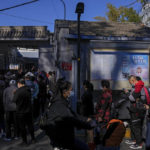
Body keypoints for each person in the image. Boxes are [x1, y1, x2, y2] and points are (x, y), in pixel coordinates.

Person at [45, 80, 96, 150]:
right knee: (85, 148)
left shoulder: (62, 101)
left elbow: (74, 114)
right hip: (62, 140)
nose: (71, 92)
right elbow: (72, 119)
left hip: (65, 137)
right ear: (64, 91)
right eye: (70, 90)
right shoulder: (59, 105)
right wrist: (88, 125)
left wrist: (86, 119)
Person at [124, 75, 146, 149]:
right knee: (133, 125)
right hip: (135, 108)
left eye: (130, 82)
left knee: (136, 126)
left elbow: (133, 98)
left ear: (133, 80)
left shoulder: (138, 87)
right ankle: (134, 140)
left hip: (138, 109)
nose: (130, 84)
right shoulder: (136, 87)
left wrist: (127, 93)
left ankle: (139, 144)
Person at [13, 78, 35, 145]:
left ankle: (25, 141)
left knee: (22, 127)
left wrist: (14, 94)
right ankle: (33, 138)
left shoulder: (18, 91)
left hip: (21, 111)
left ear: (19, 84)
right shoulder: (28, 90)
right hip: (28, 110)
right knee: (30, 125)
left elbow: (14, 100)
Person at [81, 80, 94, 149]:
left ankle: (90, 144)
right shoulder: (90, 92)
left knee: (89, 129)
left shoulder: (87, 93)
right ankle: (89, 143)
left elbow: (85, 104)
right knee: (89, 129)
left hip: (87, 113)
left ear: (85, 85)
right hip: (89, 112)